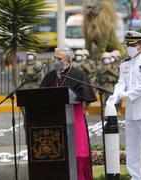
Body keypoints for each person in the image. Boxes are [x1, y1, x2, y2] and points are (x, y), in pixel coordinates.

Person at [107, 31, 141, 180]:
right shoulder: (125, 64)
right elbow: (120, 83)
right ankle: (135, 176)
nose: (128, 48)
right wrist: (116, 95)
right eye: (127, 45)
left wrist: (127, 94)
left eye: (132, 45)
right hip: (131, 113)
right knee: (132, 147)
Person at [40, 48, 97, 180]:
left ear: (68, 61)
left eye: (58, 59)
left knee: (77, 149)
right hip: (54, 119)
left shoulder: (78, 75)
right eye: (54, 58)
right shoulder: (50, 76)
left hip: (74, 118)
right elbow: (41, 95)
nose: (55, 61)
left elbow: (86, 95)